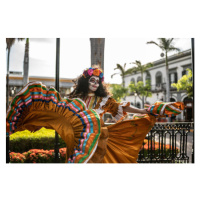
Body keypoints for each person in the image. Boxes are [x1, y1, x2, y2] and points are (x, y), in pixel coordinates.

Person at [6, 65, 184, 163]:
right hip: (74, 141)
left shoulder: (103, 100)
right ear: (85, 81)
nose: (95, 84)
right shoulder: (73, 100)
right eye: (92, 80)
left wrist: (148, 110)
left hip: (99, 142)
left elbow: (124, 107)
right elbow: (57, 114)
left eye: (98, 82)